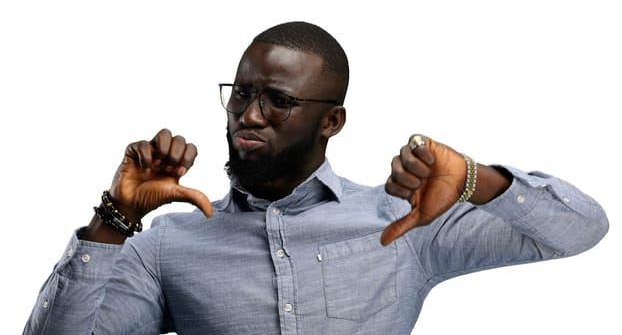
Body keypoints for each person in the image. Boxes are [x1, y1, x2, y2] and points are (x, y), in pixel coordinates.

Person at [23, 21, 609, 335]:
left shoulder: (401, 222)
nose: (249, 116)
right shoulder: (167, 247)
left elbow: (581, 231)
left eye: (277, 100)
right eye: (243, 94)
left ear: (332, 120)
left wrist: (479, 181)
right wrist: (112, 222)